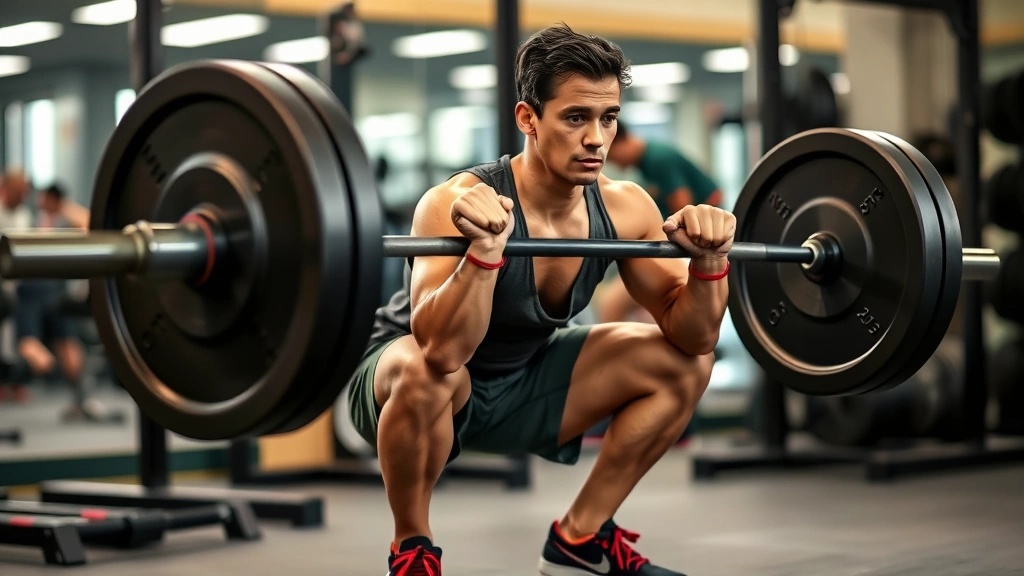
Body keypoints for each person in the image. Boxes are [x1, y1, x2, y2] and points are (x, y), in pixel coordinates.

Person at [347, 24, 735, 576]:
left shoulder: (625, 208)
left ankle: (579, 541)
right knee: (424, 371)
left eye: (609, 118)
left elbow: (696, 336)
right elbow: (440, 350)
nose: (597, 139)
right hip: (409, 386)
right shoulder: (453, 202)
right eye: (576, 118)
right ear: (528, 118)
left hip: (524, 377)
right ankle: (412, 549)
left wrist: (710, 263)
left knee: (682, 364)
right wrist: (482, 254)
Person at [597, 122, 726, 325]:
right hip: (684, 240)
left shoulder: (658, 159)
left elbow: (683, 208)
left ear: (620, 142)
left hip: (699, 239)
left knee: (613, 304)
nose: (614, 163)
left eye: (612, 156)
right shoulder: (645, 164)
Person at [0, 170, 34, 402]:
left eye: (25, 191)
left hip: (14, 287)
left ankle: (12, 381)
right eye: (19, 191)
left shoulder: (24, 215)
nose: (23, 195)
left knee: (11, 339)